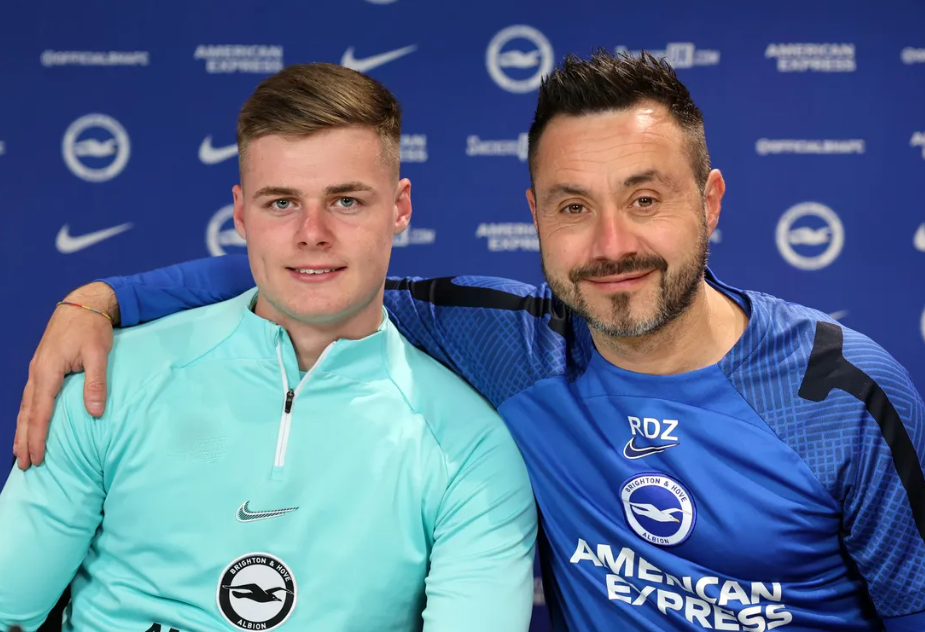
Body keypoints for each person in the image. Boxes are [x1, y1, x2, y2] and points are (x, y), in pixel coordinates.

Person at [14, 49, 925, 632]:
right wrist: (99, 300)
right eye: (574, 208)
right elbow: (311, 274)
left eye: (645, 199)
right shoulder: (510, 342)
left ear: (709, 201)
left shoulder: (838, 394)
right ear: (534, 215)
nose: (611, 245)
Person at [0, 62, 538, 632]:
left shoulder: (473, 452)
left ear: (400, 207)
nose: (312, 232)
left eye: (346, 201)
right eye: (281, 202)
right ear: (239, 212)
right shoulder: (109, 382)